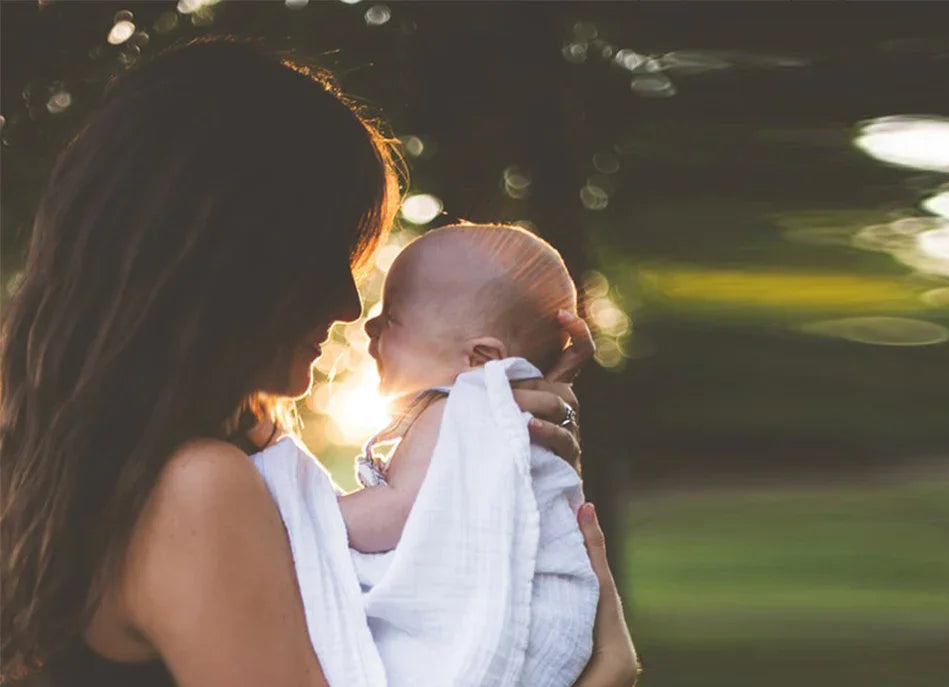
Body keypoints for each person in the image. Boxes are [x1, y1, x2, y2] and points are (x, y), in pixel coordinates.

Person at [0, 37, 637, 686]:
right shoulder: (197, 489)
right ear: (227, 259)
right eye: (325, 259)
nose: (347, 305)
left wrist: (500, 438)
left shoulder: (94, 474)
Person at [336, 223, 598, 686]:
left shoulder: (456, 410)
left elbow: (397, 513)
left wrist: (305, 511)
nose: (369, 325)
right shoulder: (501, 419)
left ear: (479, 360)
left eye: (391, 317)